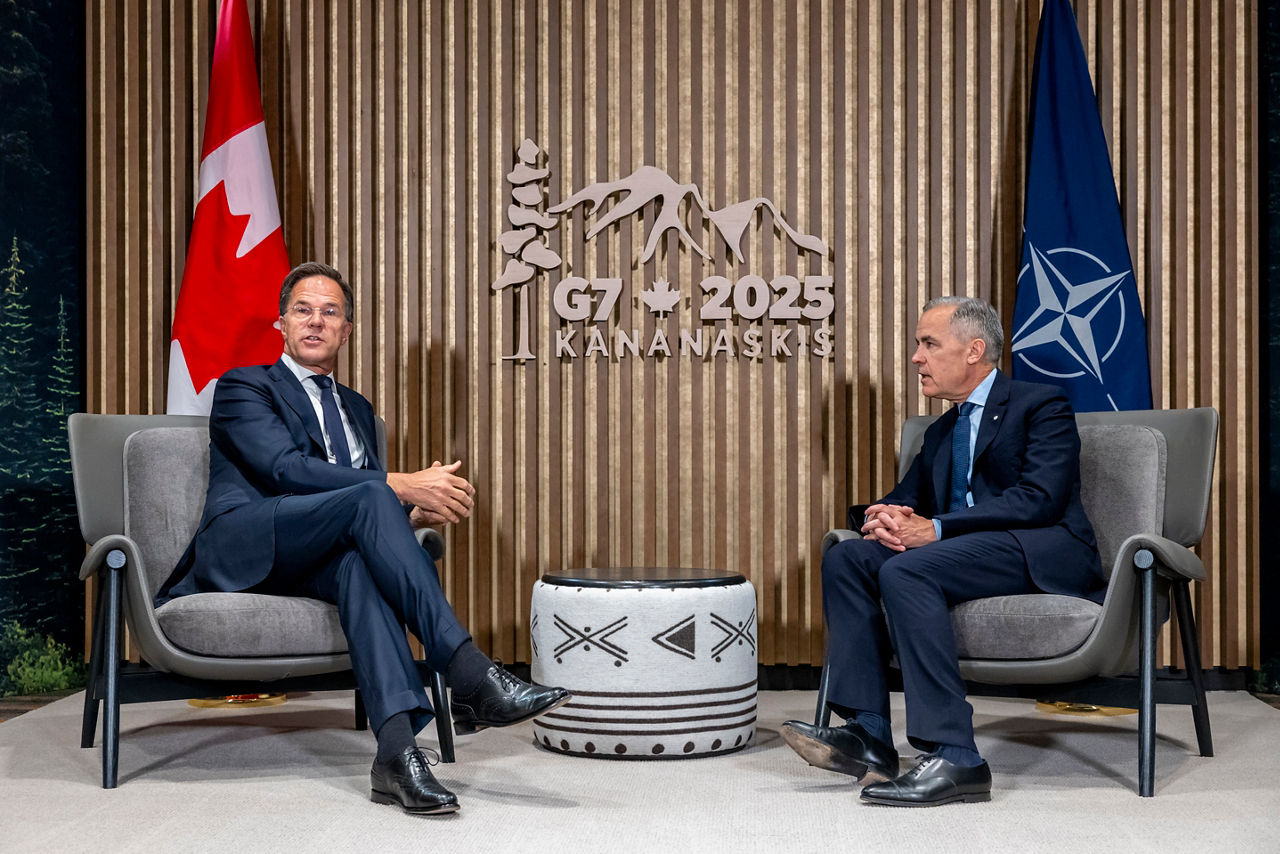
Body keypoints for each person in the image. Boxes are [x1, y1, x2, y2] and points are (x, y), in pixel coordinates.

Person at [157, 261, 570, 815]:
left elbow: (357, 506)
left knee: (360, 565)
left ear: (346, 331)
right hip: (247, 543)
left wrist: (410, 520)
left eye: (330, 313)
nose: (315, 321)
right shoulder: (244, 386)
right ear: (280, 322)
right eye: (303, 309)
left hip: (321, 552)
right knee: (379, 495)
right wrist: (399, 486)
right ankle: (471, 673)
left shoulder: (358, 409)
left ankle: (396, 757)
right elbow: (285, 469)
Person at [781, 295, 1105, 807]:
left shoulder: (1041, 405)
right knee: (848, 557)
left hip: (1034, 550)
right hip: (960, 555)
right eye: (918, 345)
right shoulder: (941, 431)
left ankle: (957, 755)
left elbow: (1038, 500)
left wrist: (935, 527)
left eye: (928, 344)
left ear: (974, 350)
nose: (916, 357)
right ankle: (868, 734)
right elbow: (905, 499)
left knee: (909, 571)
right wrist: (883, 516)